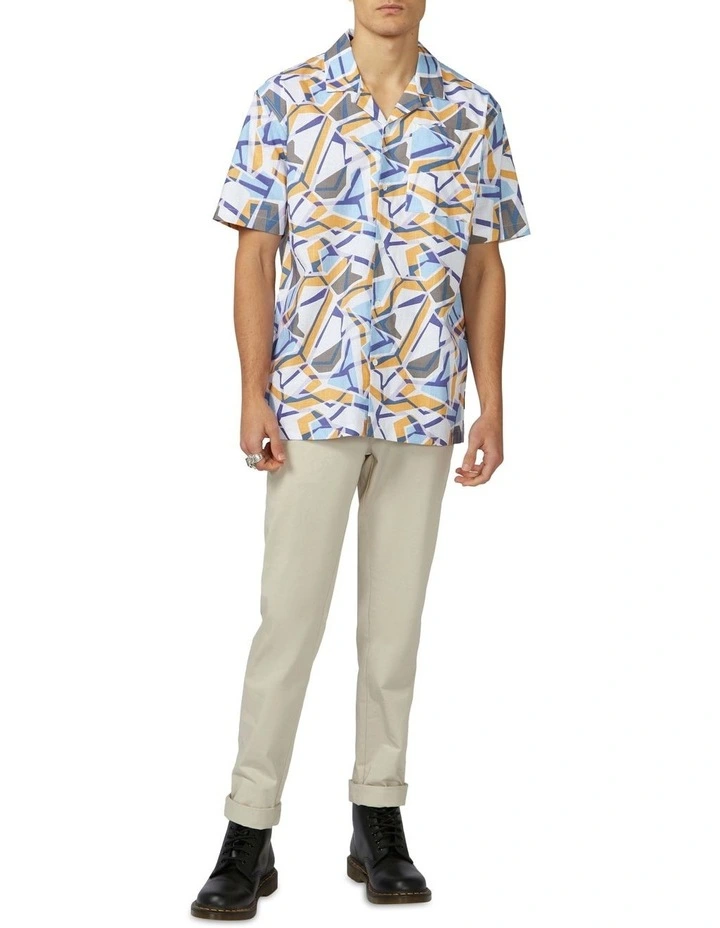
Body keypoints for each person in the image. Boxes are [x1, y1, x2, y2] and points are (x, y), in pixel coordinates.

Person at [191, 0, 530, 918]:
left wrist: (493, 402)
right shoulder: (287, 99)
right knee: (288, 624)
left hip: (422, 405)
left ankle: (378, 817)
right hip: (313, 400)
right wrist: (253, 391)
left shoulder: (473, 111)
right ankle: (248, 829)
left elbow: (484, 265)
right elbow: (255, 254)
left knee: (394, 629)